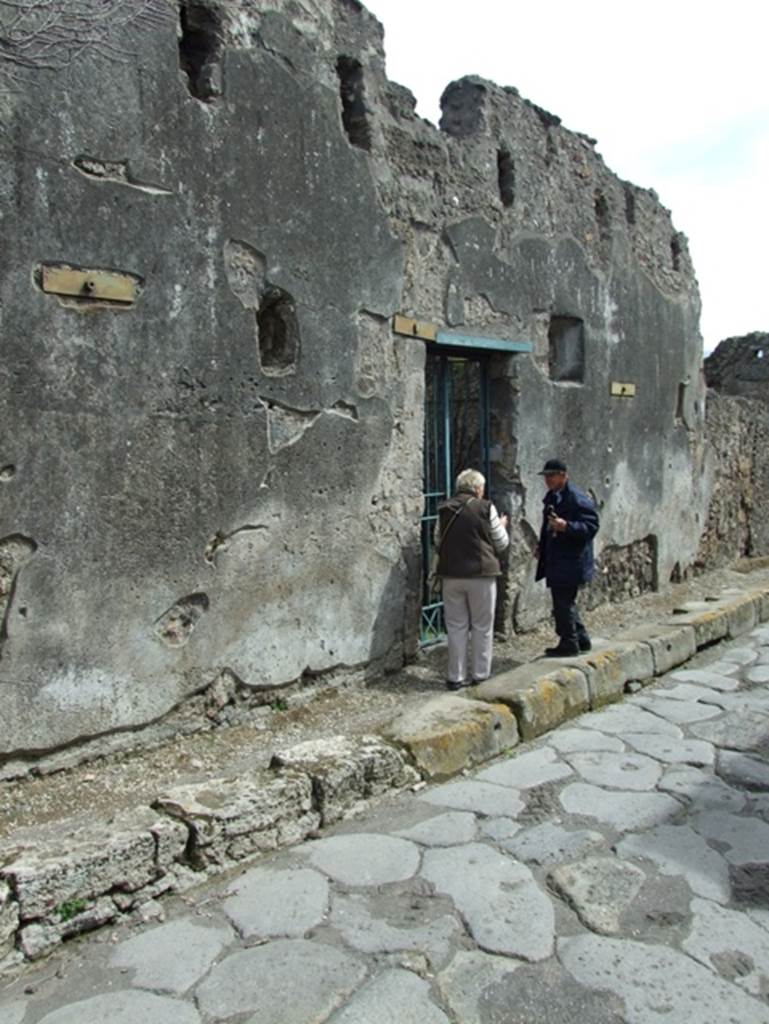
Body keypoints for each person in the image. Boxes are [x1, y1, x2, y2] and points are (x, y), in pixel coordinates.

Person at [435, 468, 509, 689]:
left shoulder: (444, 508)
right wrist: (501, 526)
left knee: (456, 626)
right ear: (477, 488)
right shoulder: (486, 507)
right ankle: (480, 674)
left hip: (451, 574)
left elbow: (437, 540)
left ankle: (455, 676)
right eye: (482, 488)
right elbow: (501, 542)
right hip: (481, 573)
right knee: (482, 626)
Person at [535, 458, 599, 657]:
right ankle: (580, 638)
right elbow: (547, 526)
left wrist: (567, 526)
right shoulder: (553, 496)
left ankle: (569, 643)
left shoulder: (576, 498)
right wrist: (542, 547)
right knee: (565, 601)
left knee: (563, 602)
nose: (548, 480)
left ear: (563, 476)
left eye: (552, 476)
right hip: (559, 558)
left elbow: (591, 527)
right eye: (546, 476)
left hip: (572, 559)